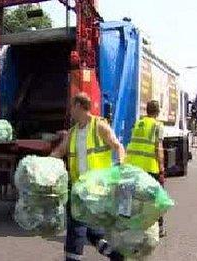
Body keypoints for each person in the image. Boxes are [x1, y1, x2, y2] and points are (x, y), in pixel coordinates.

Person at [50, 92, 126, 261]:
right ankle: (114, 253)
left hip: (97, 186)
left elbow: (118, 147)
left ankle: (72, 258)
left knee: (76, 225)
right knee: (91, 229)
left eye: (72, 106)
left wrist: (120, 165)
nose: (70, 110)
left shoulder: (99, 126)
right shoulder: (73, 132)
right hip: (79, 186)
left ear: (79, 106)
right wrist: (44, 166)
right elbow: (60, 150)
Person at [125, 100, 166, 237]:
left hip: (133, 166)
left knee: (135, 198)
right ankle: (158, 229)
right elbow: (158, 148)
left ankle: (131, 227)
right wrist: (161, 168)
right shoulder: (157, 126)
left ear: (147, 111)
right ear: (158, 112)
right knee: (156, 198)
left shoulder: (138, 123)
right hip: (149, 167)